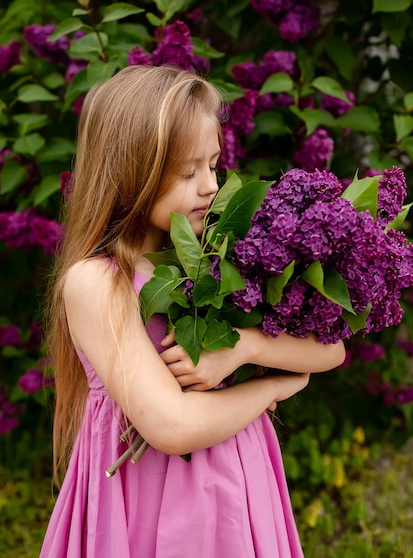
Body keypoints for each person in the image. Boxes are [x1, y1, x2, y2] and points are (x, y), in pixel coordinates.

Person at [39, 65, 345, 558]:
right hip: (147, 497)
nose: (209, 185)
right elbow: (172, 426)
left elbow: (332, 349)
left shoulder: (220, 252)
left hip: (235, 486)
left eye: (214, 164)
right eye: (187, 171)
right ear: (130, 171)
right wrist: (273, 383)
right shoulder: (98, 282)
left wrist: (239, 349)